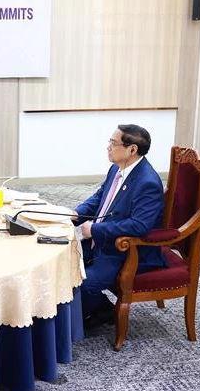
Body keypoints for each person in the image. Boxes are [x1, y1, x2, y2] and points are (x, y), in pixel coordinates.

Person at [74, 124, 166, 329]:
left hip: (126, 251)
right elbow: (100, 197)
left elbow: (139, 225)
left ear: (132, 149)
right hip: (102, 240)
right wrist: (77, 214)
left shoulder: (147, 183)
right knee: (63, 260)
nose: (108, 147)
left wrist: (95, 230)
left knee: (85, 283)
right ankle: (104, 309)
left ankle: (73, 324)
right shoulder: (117, 167)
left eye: (113, 143)